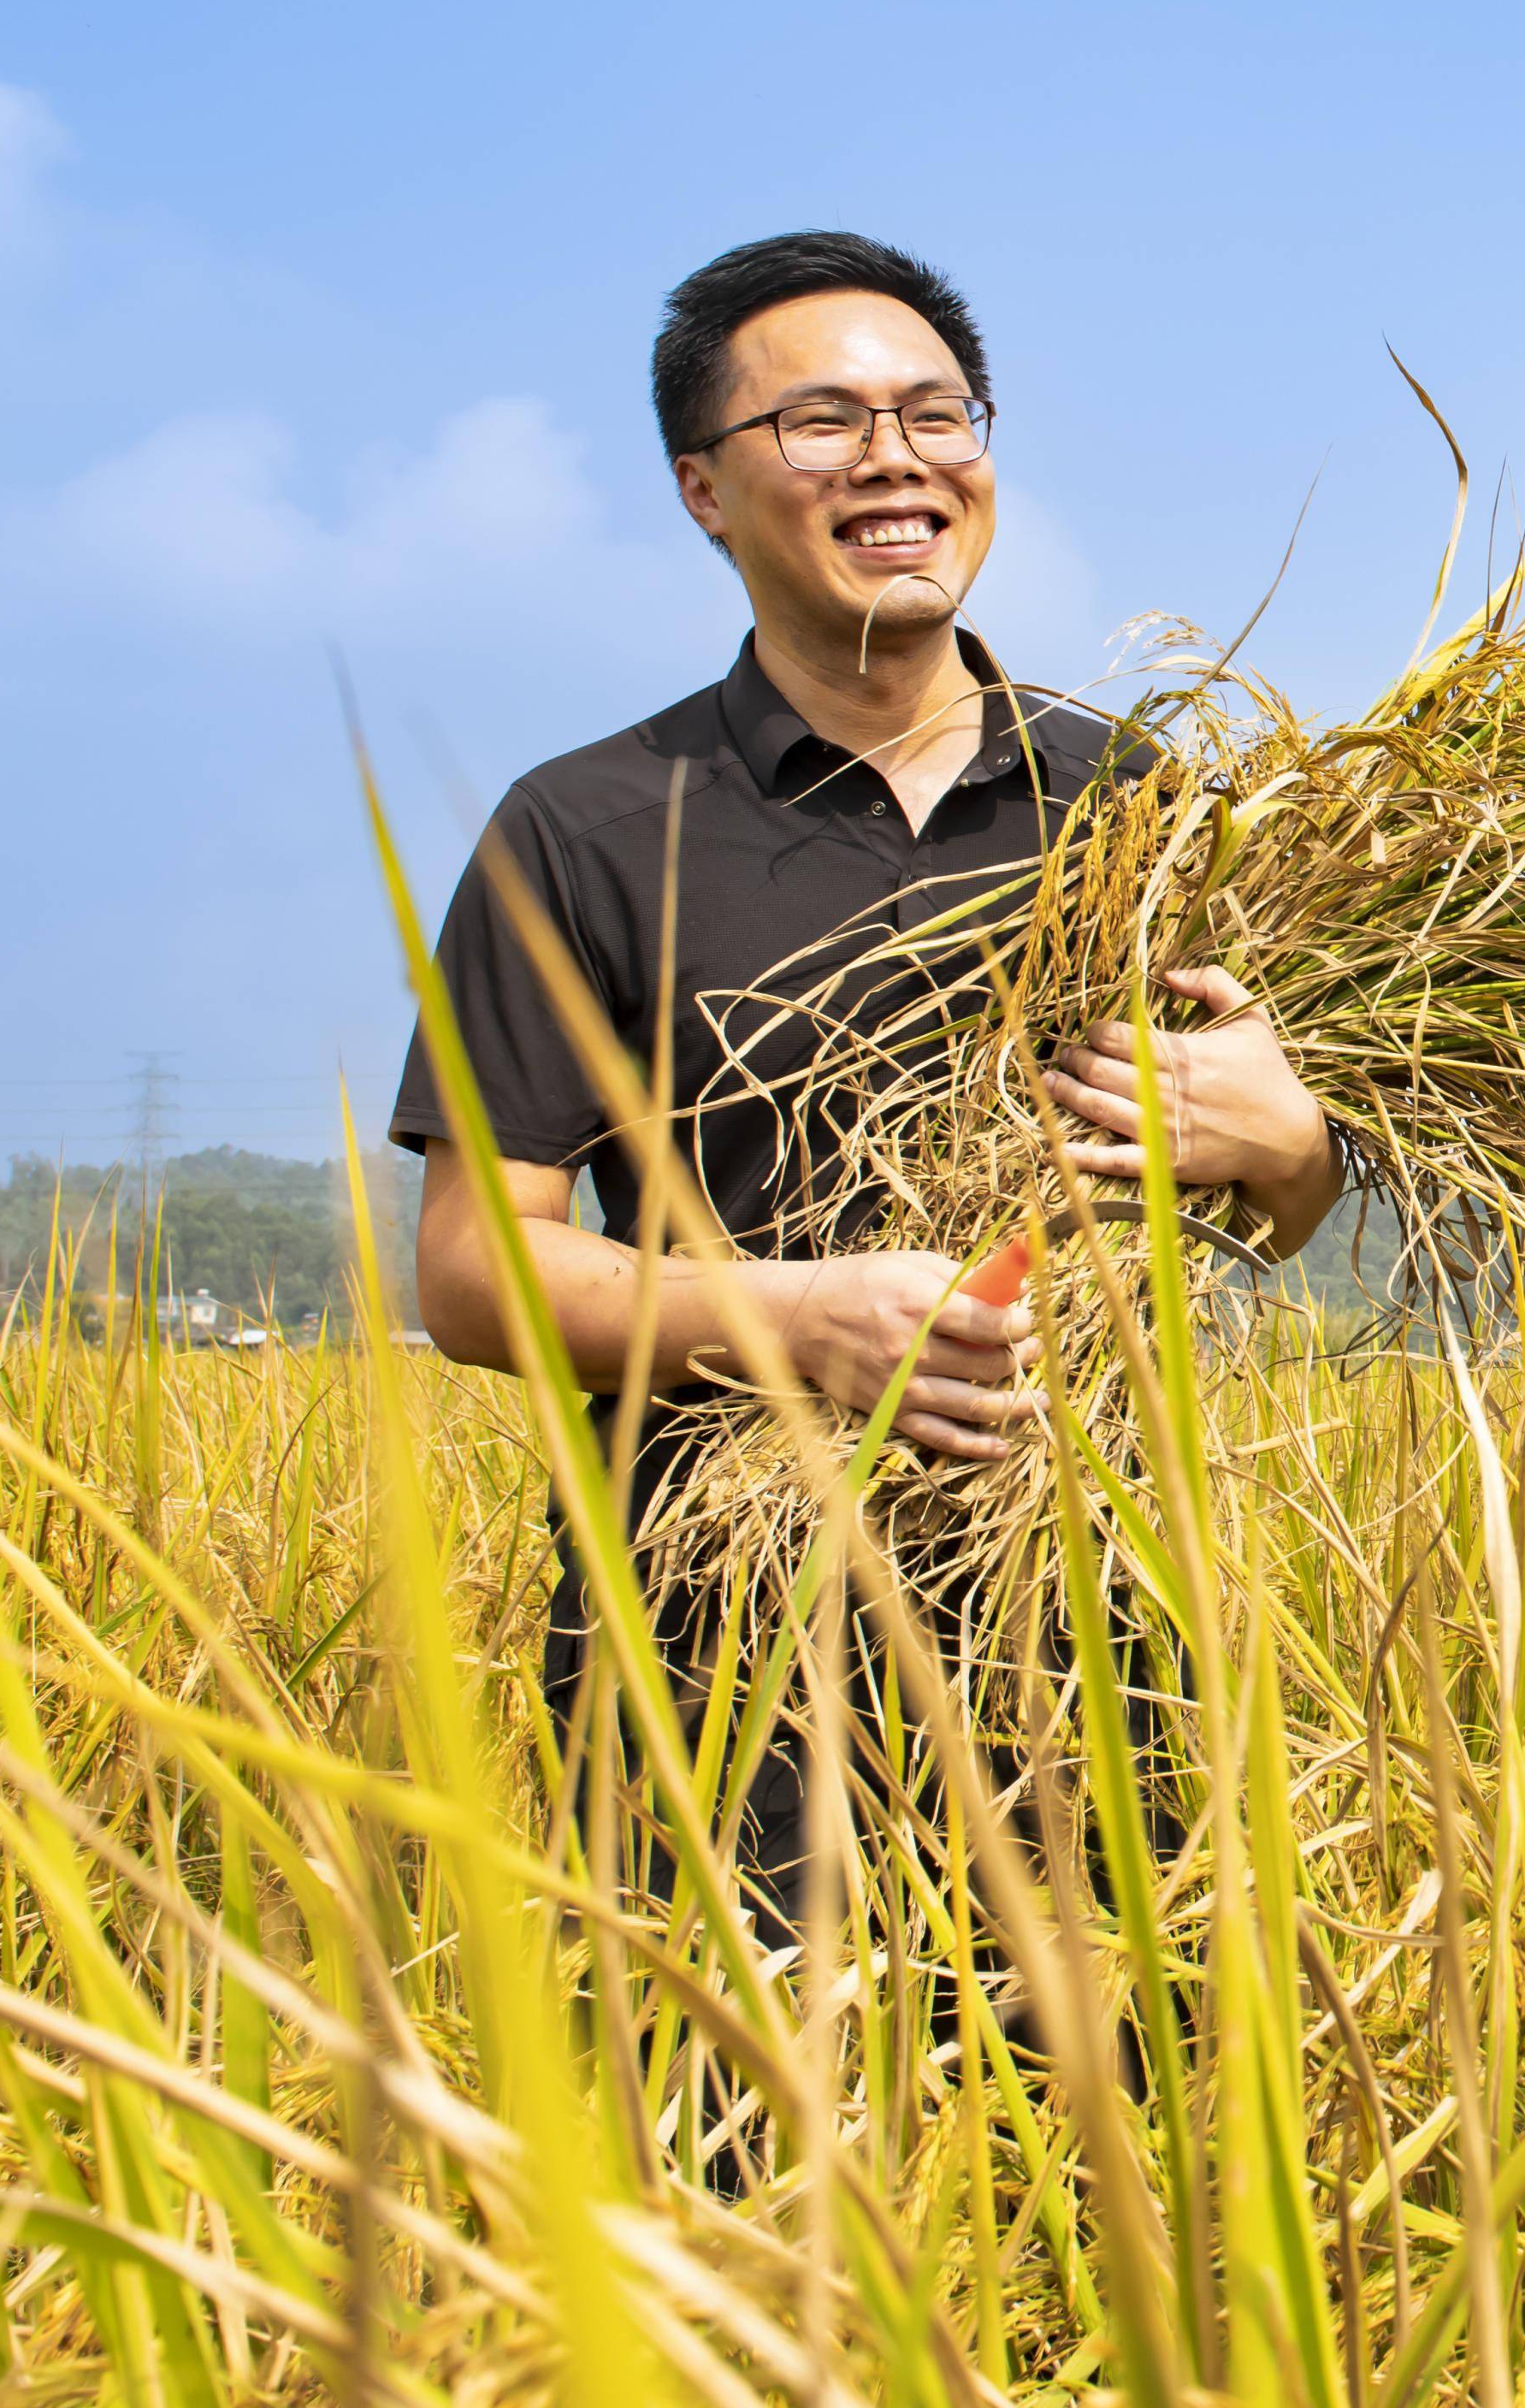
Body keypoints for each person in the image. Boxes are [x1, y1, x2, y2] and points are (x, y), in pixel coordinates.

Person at [388, 229, 1343, 1917]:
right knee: (732, 2160)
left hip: (1093, 1627)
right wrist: (791, 1314)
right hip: (712, 1646)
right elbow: (473, 1267)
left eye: (936, 413)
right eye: (821, 420)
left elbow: (1246, 1218)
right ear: (702, 486)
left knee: (1118, 2153)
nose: (895, 458)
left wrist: (1289, 1144)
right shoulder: (589, 831)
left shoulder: (1139, 805)